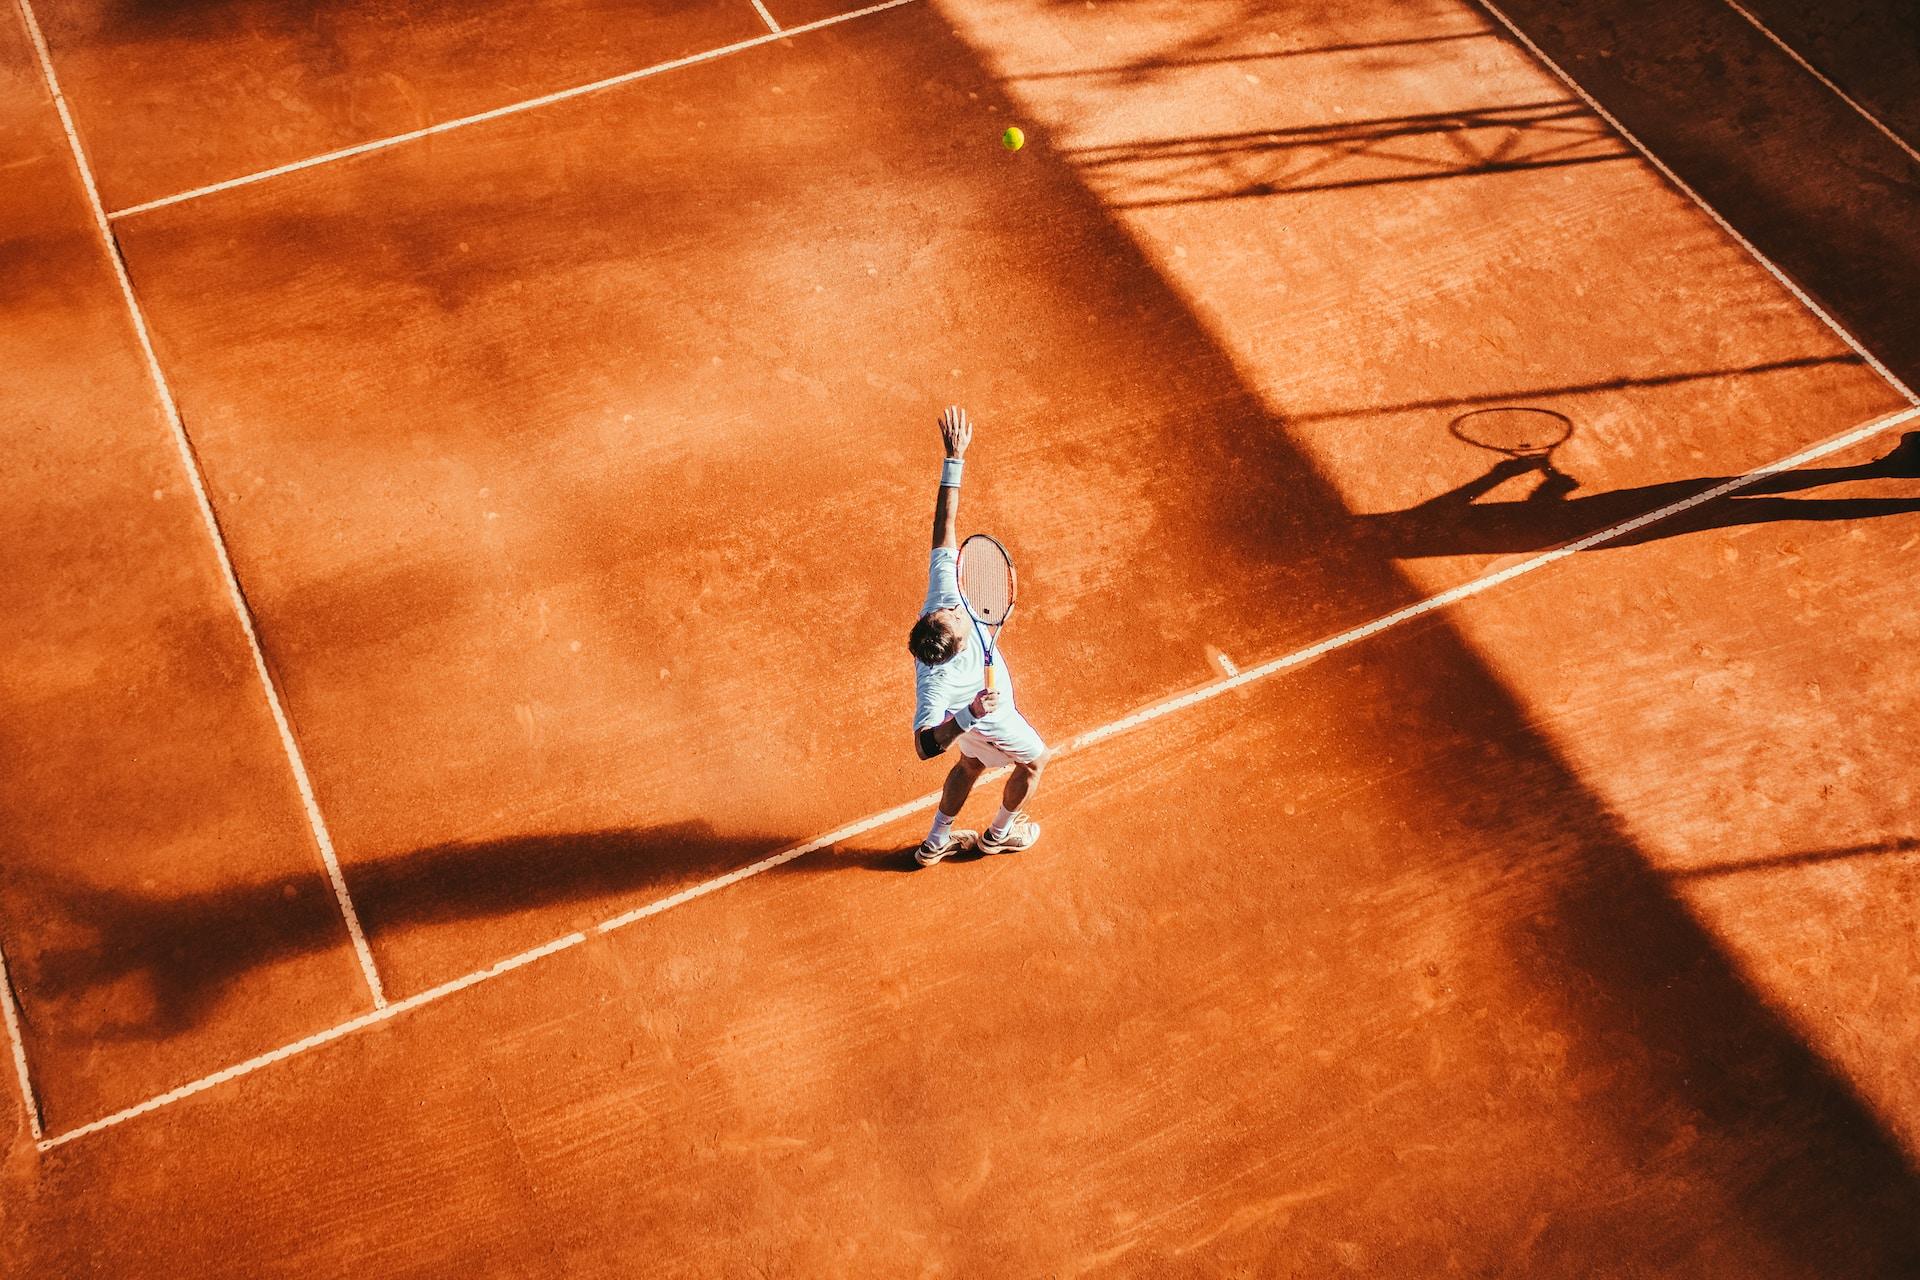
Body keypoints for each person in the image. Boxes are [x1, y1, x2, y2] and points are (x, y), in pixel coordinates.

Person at [907, 406, 1049, 867]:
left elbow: (942, 528)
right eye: (959, 619)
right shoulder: (936, 683)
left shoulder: (942, 600)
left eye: (951, 610)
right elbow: (925, 745)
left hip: (972, 721)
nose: (960, 609)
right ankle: (998, 835)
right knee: (1034, 761)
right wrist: (970, 715)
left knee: (970, 764)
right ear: (956, 648)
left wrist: (955, 458)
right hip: (989, 718)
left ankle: (935, 842)